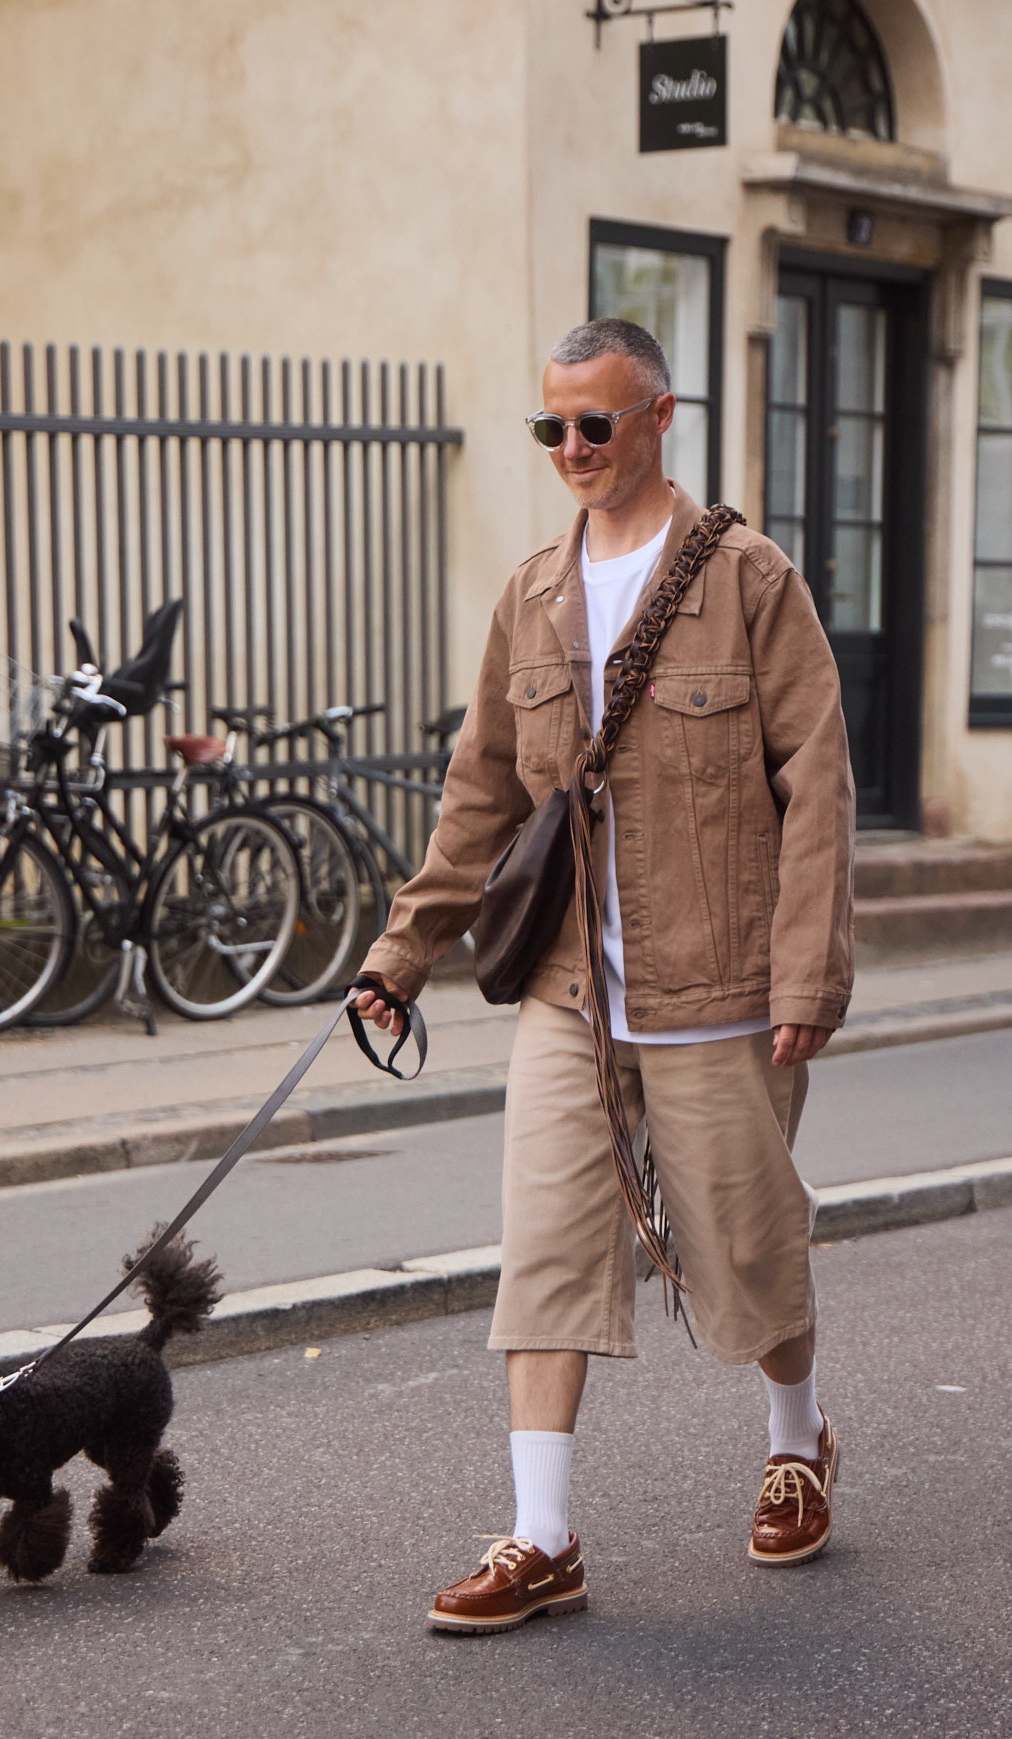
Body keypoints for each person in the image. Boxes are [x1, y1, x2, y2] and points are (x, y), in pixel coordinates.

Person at [355, 317, 855, 1634]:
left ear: (659, 417)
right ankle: (542, 1534)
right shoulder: (530, 599)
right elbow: (477, 801)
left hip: (718, 989)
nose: (572, 448)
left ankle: (797, 1440)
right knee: (548, 1251)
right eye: (552, 428)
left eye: (597, 423)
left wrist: (808, 971)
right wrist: (398, 960)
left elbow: (819, 787)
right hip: (576, 996)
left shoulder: (749, 581)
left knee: (746, 1252)